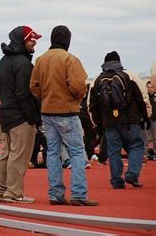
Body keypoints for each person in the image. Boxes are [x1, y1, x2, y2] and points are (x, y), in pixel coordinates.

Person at [30, 25, 98, 206]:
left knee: (52, 152)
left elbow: (34, 87)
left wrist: (46, 97)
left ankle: (56, 195)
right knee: (76, 152)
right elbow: (78, 86)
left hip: (47, 112)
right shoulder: (70, 59)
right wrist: (75, 97)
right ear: (67, 40)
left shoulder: (41, 60)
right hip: (67, 111)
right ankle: (78, 194)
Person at [0, 26, 42, 204]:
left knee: (6, 153)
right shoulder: (24, 63)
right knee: (19, 155)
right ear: (23, 41)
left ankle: (2, 190)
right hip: (20, 116)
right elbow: (24, 94)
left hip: (5, 113)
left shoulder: (4, 61)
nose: (34, 42)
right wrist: (33, 118)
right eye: (32, 39)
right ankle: (13, 193)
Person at [89, 51, 149, 189]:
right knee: (136, 146)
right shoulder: (130, 75)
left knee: (113, 151)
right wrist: (145, 116)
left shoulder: (97, 80)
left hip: (109, 122)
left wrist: (98, 124)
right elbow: (143, 98)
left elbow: (91, 106)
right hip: (130, 120)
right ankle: (132, 174)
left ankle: (116, 180)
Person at [147, 81, 156, 160]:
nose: (149, 89)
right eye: (148, 87)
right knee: (145, 138)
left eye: (151, 87)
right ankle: (145, 153)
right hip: (146, 119)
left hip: (155, 120)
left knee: (155, 138)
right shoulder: (145, 97)